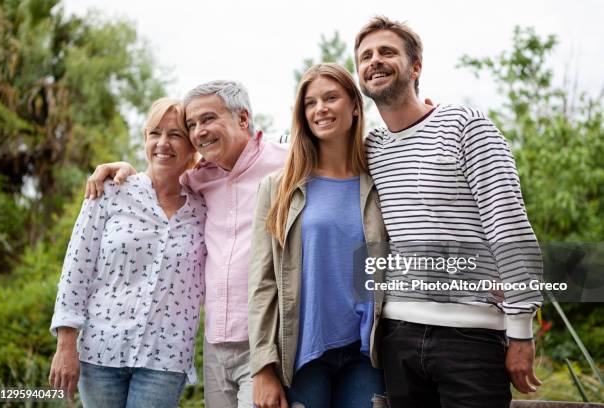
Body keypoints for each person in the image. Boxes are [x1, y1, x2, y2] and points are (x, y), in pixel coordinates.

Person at [353, 16, 543, 408]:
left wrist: (521, 331)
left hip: (471, 336)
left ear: (416, 66)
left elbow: (509, 227)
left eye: (387, 51)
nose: (375, 61)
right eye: (365, 56)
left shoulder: (465, 126)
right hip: (397, 333)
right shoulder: (370, 149)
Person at [83, 81, 288, 408]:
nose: (199, 132)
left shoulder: (286, 162)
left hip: (265, 341)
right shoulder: (198, 180)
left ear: (244, 118)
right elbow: (161, 177)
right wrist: (126, 170)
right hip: (215, 346)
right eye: (192, 125)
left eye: (208, 119)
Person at [49, 98, 206, 408]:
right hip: (99, 353)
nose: (163, 143)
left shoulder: (205, 207)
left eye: (175, 135)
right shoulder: (110, 191)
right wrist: (66, 344)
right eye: (154, 133)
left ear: (191, 146)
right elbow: (76, 269)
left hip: (166, 357)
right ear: (145, 139)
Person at [249, 63, 388, 408]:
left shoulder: (379, 182)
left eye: (331, 98)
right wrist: (263, 368)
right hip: (302, 354)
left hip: (365, 354)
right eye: (310, 103)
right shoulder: (279, 188)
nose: (320, 109)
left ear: (355, 106)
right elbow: (262, 283)